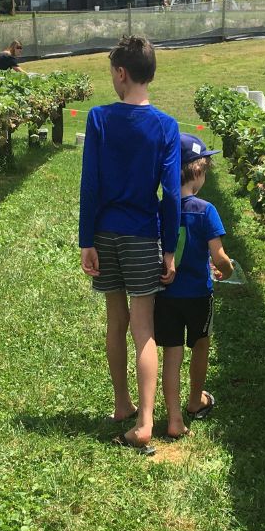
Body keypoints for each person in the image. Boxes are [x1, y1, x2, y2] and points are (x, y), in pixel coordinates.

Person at [79, 35, 181, 455]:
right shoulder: (167, 126)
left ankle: (122, 403)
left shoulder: (99, 118)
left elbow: (90, 183)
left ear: (121, 73)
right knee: (144, 331)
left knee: (115, 322)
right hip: (143, 235)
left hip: (105, 233)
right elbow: (172, 196)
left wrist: (87, 240)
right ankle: (145, 421)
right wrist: (169, 248)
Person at [154, 133, 234, 439]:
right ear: (197, 172)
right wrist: (226, 270)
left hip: (167, 295)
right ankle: (196, 400)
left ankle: (174, 419)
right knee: (201, 345)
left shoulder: (162, 208)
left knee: (171, 354)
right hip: (200, 294)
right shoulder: (205, 210)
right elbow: (219, 255)